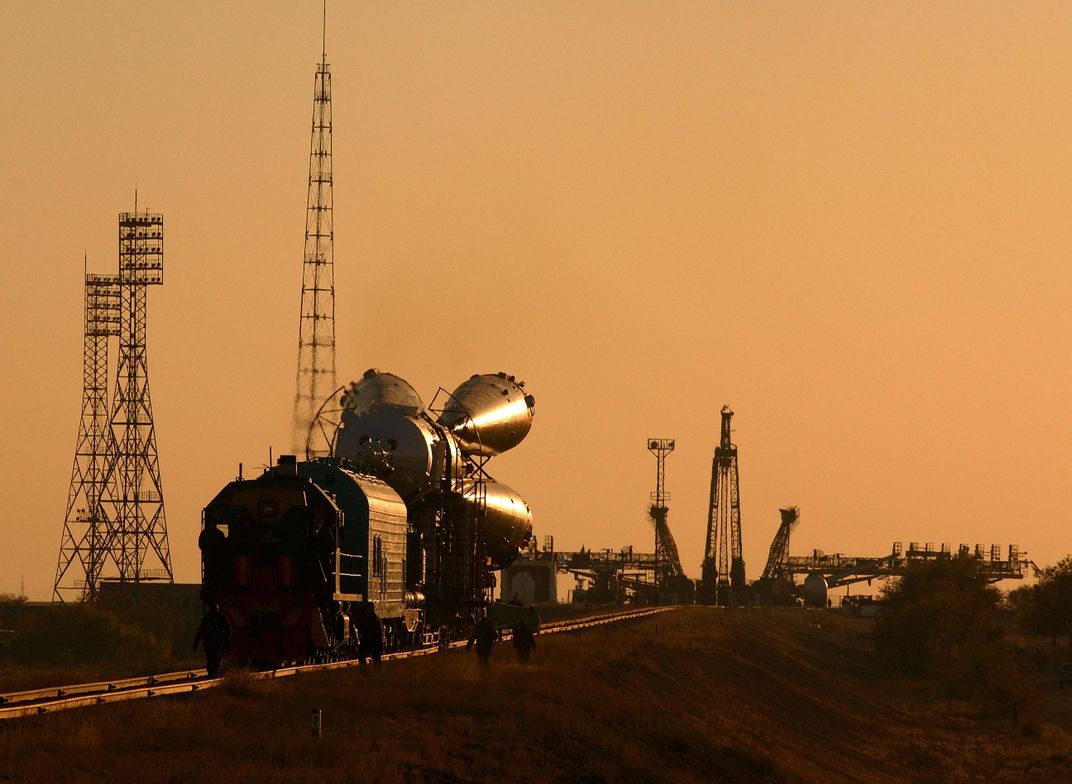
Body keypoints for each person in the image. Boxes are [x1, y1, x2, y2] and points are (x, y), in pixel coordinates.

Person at [193, 603, 231, 677]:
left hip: (211, 643)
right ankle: (214, 672)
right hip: (217, 643)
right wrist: (227, 641)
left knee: (212, 658)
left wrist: (196, 643)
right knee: (215, 658)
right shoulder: (221, 618)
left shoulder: (206, 619)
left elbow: (200, 632)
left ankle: (212, 672)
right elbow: (228, 629)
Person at [356, 602, 383, 667]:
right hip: (374, 641)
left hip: (370, 640)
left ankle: (365, 669)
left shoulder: (371, 619)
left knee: (362, 655)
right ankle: (376, 670)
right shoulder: (377, 619)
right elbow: (380, 632)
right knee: (376, 658)